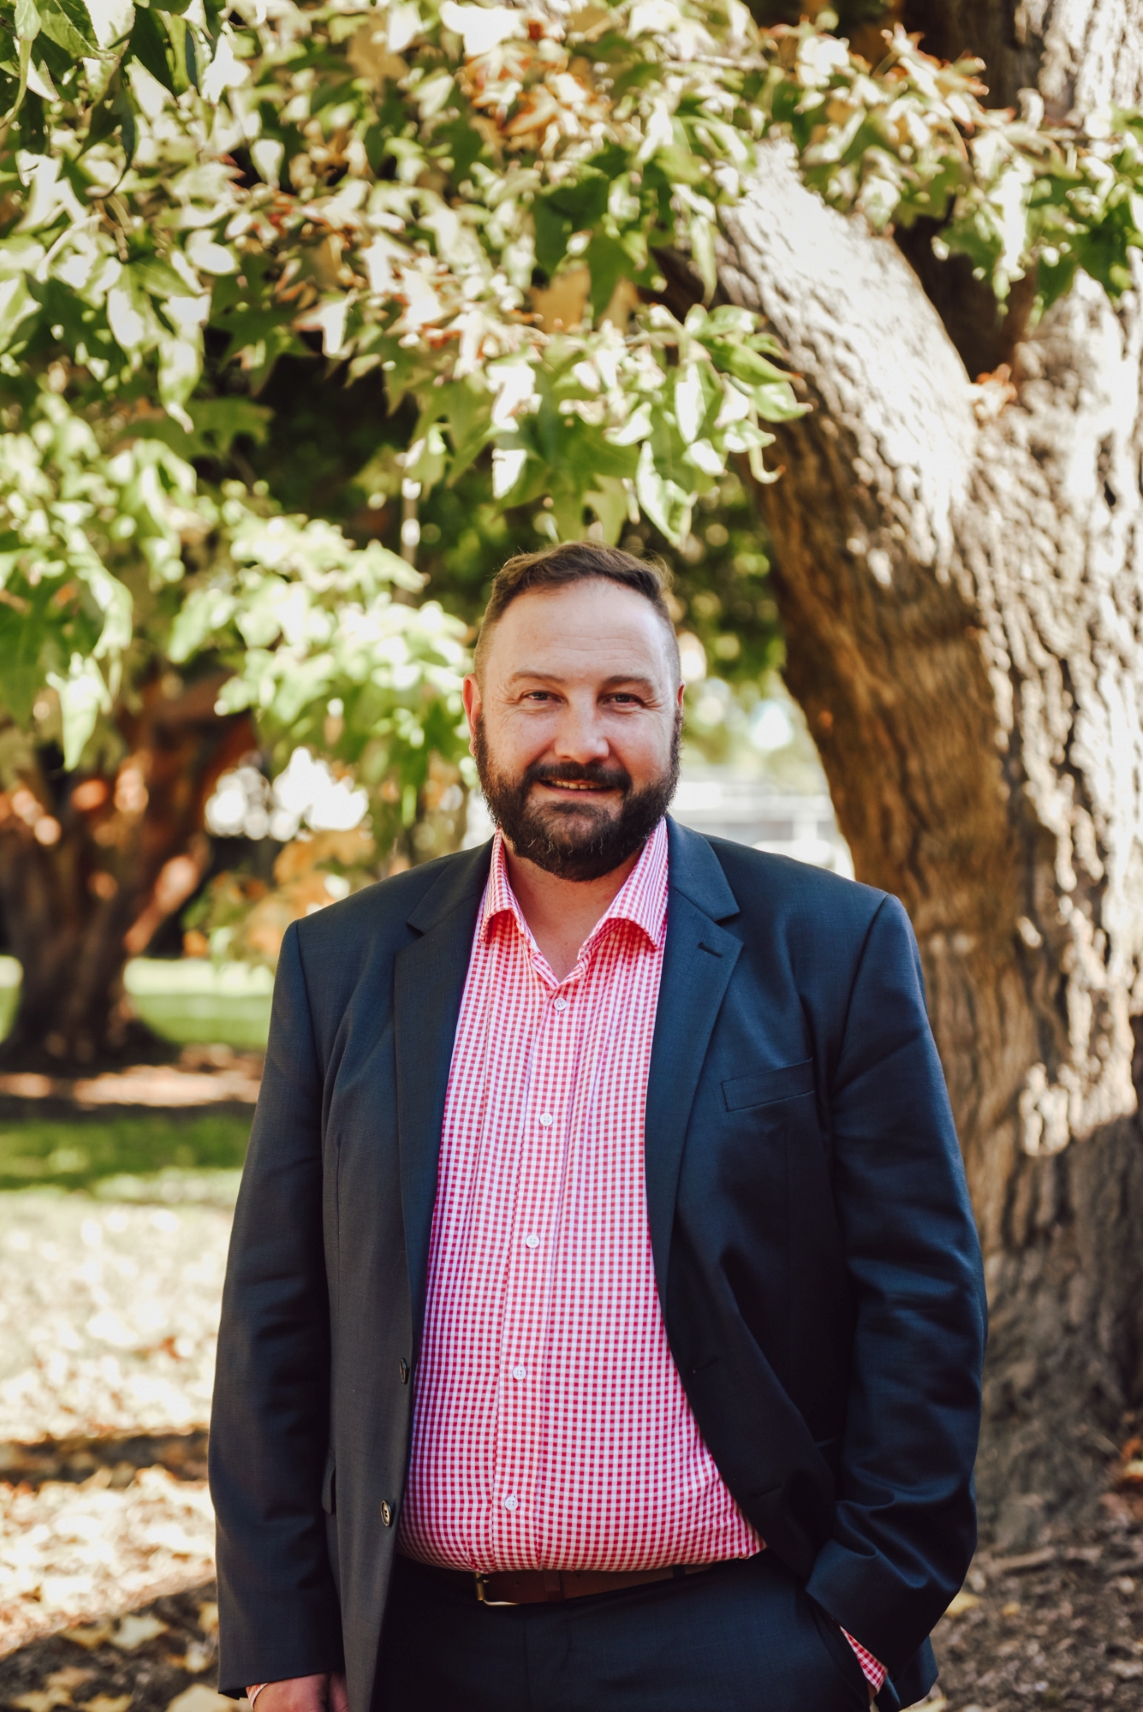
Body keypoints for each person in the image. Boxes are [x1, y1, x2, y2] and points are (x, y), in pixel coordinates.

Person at [210, 542, 986, 1712]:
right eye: (540, 696)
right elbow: (278, 1318)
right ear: (477, 709)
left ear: (677, 710)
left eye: (623, 697)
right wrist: (282, 1635)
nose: (581, 739)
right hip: (415, 1651)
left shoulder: (830, 946)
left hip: (741, 1643)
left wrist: (859, 1625)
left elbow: (922, 1298)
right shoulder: (345, 963)